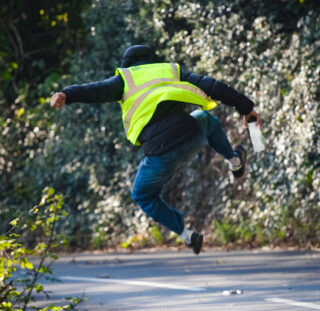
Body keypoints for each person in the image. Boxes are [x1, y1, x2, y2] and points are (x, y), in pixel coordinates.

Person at [51, 45, 262, 254]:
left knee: (142, 196)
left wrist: (66, 95)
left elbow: (93, 90)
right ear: (154, 59)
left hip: (160, 156)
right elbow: (214, 86)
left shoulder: (125, 79)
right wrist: (247, 108)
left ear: (127, 65)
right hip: (190, 135)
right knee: (206, 119)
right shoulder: (170, 71)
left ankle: (187, 235)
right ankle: (234, 161)